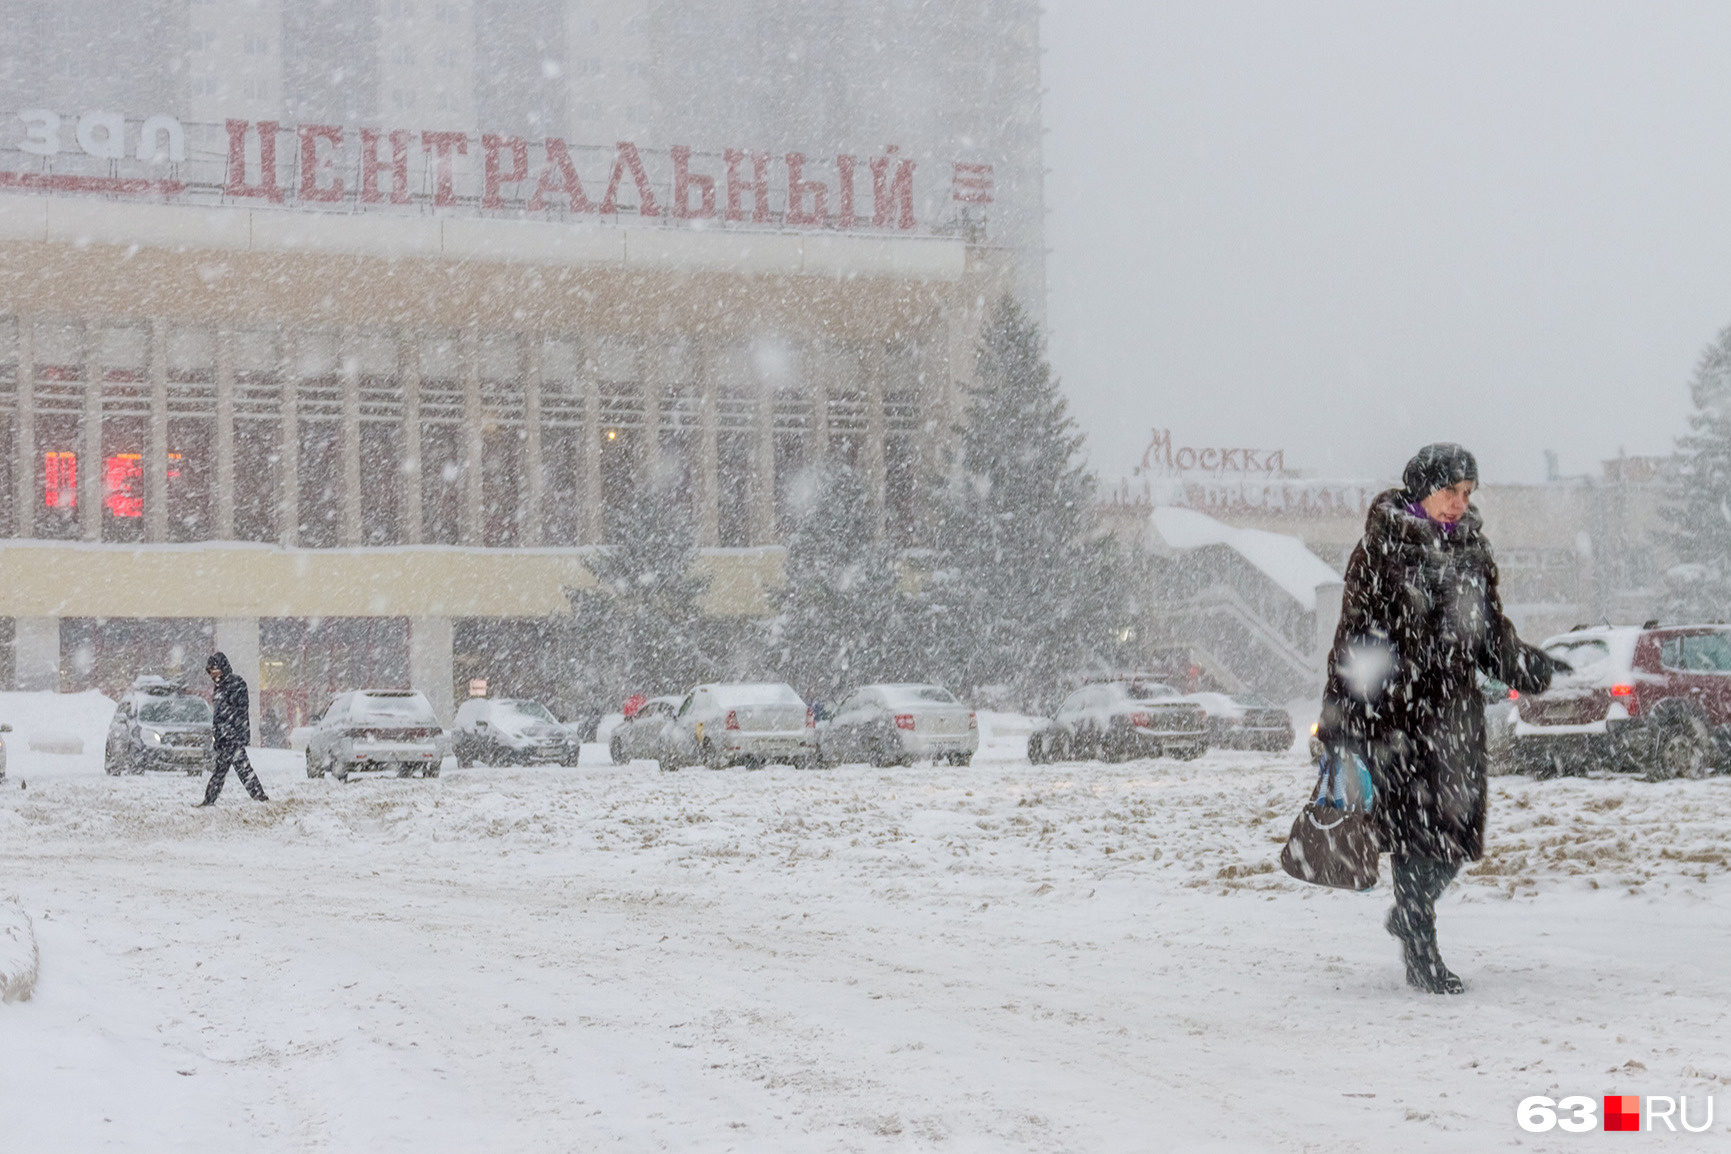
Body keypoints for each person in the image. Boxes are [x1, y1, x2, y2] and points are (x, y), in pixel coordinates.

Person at [1316, 443, 1559, 994]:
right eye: (1450, 490)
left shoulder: (1472, 551)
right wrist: (1339, 723)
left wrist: (1528, 665)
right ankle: (1421, 950)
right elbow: (1354, 641)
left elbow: (1488, 634)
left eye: (1467, 493)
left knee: (1456, 837)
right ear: (1422, 489)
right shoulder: (1381, 550)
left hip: (1452, 719)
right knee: (1414, 838)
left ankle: (1410, 914)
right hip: (1395, 721)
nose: (1458, 502)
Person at [197, 652, 269, 806]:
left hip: (232, 736)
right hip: (225, 737)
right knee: (235, 769)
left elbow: (239, 711)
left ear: (223, 667)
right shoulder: (219, 687)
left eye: (215, 670)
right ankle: (259, 797)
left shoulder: (236, 684)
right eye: (211, 672)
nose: (213, 675)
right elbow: (218, 715)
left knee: (230, 770)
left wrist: (232, 732)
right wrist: (217, 735)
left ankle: (210, 800)